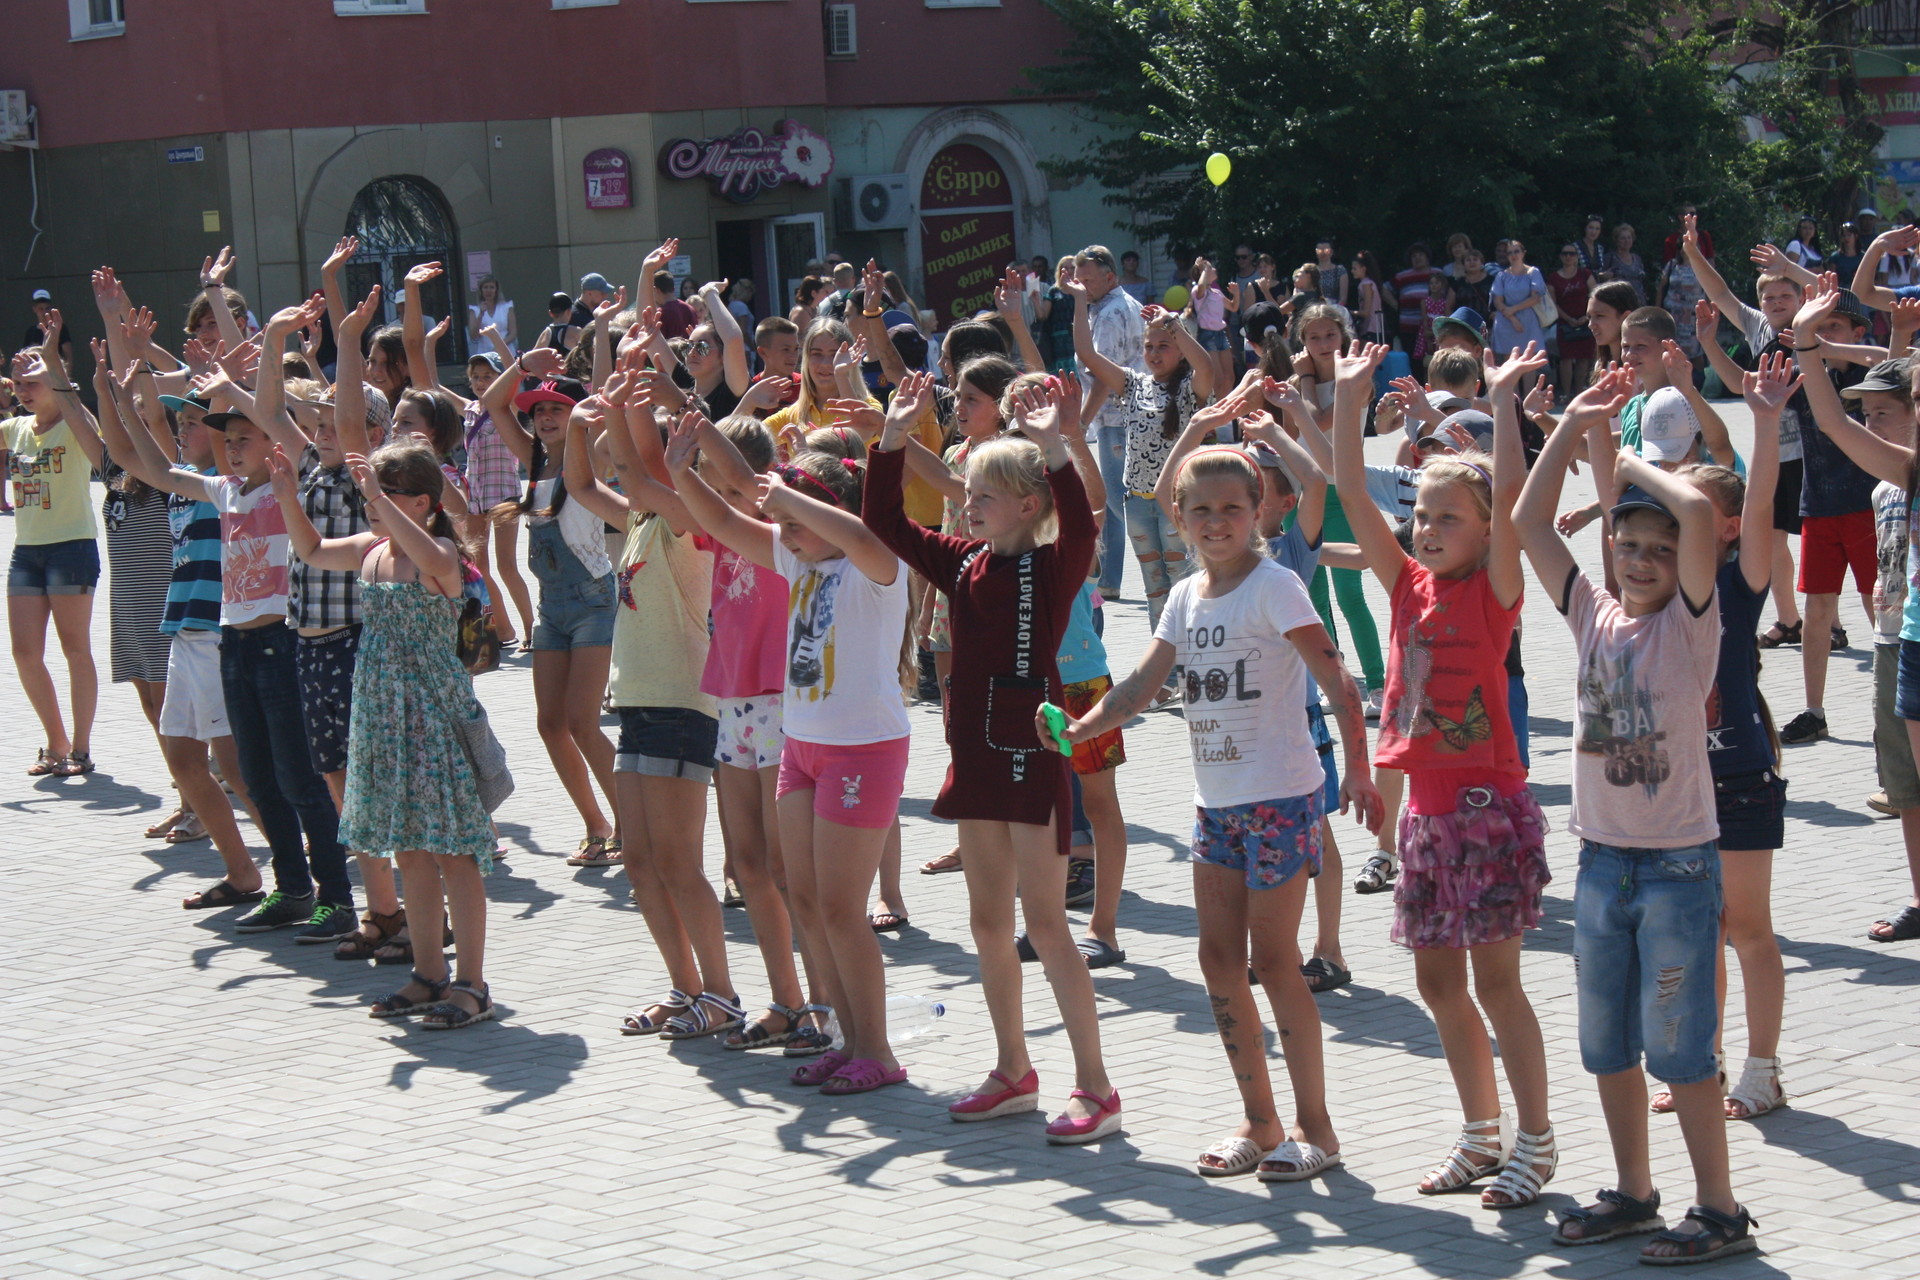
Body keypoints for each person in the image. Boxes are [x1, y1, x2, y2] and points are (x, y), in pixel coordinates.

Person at [1066, 425, 1379, 1179]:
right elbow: (1142, 687)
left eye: (1232, 507)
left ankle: (1318, 1131)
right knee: (1216, 961)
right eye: (1200, 509)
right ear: (1179, 518)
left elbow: (1338, 680)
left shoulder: (1275, 587)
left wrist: (1359, 774)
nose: (1216, 521)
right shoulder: (1181, 597)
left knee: (1275, 963)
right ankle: (1260, 1122)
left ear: (1260, 509)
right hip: (1218, 807)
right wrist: (1082, 730)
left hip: (1281, 799)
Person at [1513, 375, 1759, 1266]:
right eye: (1630, 545)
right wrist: (1568, 433)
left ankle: (1721, 1209)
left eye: (1660, 547)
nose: (1645, 558)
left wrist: (1613, 458)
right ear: (1610, 550)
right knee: (1606, 1045)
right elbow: (1528, 528)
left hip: (1677, 871)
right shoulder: (1593, 615)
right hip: (1602, 862)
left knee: (1681, 1050)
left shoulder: (1691, 629)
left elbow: (1696, 509)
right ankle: (1634, 1193)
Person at [1333, 341, 1559, 1209]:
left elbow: (1510, 515)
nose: (1427, 530)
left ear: (1486, 526)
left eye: (1447, 519)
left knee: (1498, 985)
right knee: (1437, 986)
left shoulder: (1493, 589)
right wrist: (1351, 402)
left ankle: (1534, 1144)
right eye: (1422, 517)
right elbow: (1353, 495)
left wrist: (1501, 405)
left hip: (1488, 811)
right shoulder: (1407, 588)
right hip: (1424, 821)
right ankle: (1480, 1135)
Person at [865, 372, 1120, 1139]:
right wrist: (891, 438)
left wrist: (1056, 448)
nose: (966, 505)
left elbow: (1082, 530)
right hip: (972, 764)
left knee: (1045, 925)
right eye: (966, 494)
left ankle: (1097, 1087)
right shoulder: (962, 564)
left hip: (1029, 764)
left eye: (983, 496)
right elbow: (884, 521)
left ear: (1028, 505)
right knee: (984, 923)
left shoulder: (1050, 568)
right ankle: (1014, 1069)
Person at [668, 415, 913, 1097]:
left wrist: (785, 494)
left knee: (840, 907)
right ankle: (841, 1037)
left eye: (799, 519)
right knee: (805, 899)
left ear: (825, 515)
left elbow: (858, 533)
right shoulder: (796, 555)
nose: (785, 533)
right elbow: (719, 517)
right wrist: (682, 468)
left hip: (863, 750)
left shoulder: (876, 566)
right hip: (801, 748)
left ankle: (879, 1051)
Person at [116, 370, 356, 943]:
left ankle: (338, 900)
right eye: (225, 440)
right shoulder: (223, 490)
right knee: (253, 774)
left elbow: (285, 427)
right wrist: (119, 400)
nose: (230, 447)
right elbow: (153, 467)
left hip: (281, 645)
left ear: (271, 443)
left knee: (300, 778)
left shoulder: (290, 484)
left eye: (242, 438)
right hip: (235, 645)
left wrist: (248, 380)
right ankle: (293, 890)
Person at [271, 441, 499, 1029]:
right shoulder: (371, 551)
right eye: (370, 493)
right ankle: (428, 974)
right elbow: (312, 549)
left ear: (422, 501)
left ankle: (472, 985)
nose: (370, 502)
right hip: (381, 719)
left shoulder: (440, 552)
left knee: (454, 853)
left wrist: (375, 494)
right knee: (411, 851)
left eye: (386, 491)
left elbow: (431, 555)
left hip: (432, 717)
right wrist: (285, 498)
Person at [561, 368, 742, 1040]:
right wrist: (583, 430)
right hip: (636, 702)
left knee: (678, 863)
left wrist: (619, 411)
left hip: (681, 704)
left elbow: (638, 476)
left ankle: (720, 993)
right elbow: (582, 487)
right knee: (638, 859)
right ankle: (685, 988)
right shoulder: (641, 518)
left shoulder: (690, 521)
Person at [476, 349, 620, 864]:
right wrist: (521, 365)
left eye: (558, 408)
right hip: (551, 608)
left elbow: (605, 413)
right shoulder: (532, 461)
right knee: (548, 723)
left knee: (583, 721)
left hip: (594, 603)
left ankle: (629, 823)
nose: (546, 417)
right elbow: (494, 407)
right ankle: (596, 824)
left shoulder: (590, 453)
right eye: (539, 410)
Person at [1066, 287, 1214, 631]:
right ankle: (1165, 674)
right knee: (1154, 588)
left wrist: (1172, 324)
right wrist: (1078, 301)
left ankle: (1192, 665)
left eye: (1164, 346)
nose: (1154, 353)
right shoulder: (1132, 384)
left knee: (1183, 582)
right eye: (1149, 346)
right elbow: (1087, 353)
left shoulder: (1191, 388)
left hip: (1177, 502)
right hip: (1137, 504)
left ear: (1180, 351)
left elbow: (1206, 366)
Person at [6, 315, 103, 778]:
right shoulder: (16, 429)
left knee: (75, 649)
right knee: (24, 652)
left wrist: (53, 360)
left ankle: (81, 748)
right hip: (27, 551)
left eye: (33, 383)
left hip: (72, 548)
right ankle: (55, 741)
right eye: (18, 384)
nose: (24, 392)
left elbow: (87, 420)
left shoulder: (75, 425)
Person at [1072, 245, 1146, 598]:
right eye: (1078, 278)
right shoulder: (1113, 306)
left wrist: (1082, 421)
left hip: (1116, 417)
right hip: (1122, 414)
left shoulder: (1110, 314)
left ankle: (1156, 557)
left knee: (1117, 500)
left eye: (1087, 279)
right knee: (1115, 503)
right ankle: (1110, 581)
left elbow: (1103, 375)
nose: (1081, 285)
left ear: (1110, 277)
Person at [461, 350, 535, 648]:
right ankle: (502, 631)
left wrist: (497, 343)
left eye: (488, 376)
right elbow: (429, 383)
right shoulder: (468, 410)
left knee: (507, 565)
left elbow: (518, 375)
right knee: (479, 567)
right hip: (475, 496)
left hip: (503, 494)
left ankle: (531, 630)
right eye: (476, 377)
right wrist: (428, 345)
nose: (481, 382)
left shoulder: (507, 407)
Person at [1549, 245, 1597, 400]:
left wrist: (1586, 316)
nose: (1568, 256)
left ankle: (1578, 394)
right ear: (1561, 256)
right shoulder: (1554, 278)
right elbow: (1552, 302)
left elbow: (1595, 295)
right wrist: (1568, 318)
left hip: (1585, 320)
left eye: (1572, 254)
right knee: (1566, 359)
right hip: (1564, 321)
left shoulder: (1585, 274)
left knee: (1584, 358)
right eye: (1565, 253)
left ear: (1577, 256)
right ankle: (1565, 394)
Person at [1490, 241, 1547, 363]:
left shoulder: (1533, 272)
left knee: (1529, 359)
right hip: (1507, 320)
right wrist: (1512, 318)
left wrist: (1513, 309)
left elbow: (1535, 298)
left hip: (1528, 320)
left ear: (1523, 253)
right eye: (1509, 252)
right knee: (1510, 360)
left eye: (1516, 251)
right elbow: (1498, 301)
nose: (1513, 255)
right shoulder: (1501, 276)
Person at [1187, 257, 1236, 391]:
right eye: (1210, 268)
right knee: (1218, 378)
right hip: (1207, 335)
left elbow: (1233, 307)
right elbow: (1202, 286)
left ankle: (1227, 403)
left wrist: (1236, 294)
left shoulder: (1217, 292)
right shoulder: (1197, 290)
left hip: (1221, 333)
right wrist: (1204, 268)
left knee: (1229, 376)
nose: (1213, 269)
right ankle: (1220, 406)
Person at [1393, 244, 1435, 352]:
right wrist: (1395, 304)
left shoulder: (1438, 273)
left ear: (1427, 258)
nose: (1417, 258)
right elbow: (1384, 289)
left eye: (1420, 255)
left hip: (1433, 326)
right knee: (1411, 358)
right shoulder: (1402, 276)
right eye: (1414, 256)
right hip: (1409, 325)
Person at [466, 275, 516, 356]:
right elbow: (473, 336)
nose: (488, 290)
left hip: (506, 353)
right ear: (481, 290)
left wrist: (499, 346)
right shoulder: (474, 310)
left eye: (492, 287)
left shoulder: (506, 307)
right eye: (485, 287)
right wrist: (481, 314)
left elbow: (513, 333)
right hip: (485, 355)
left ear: (496, 290)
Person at [1351, 251, 1388, 345]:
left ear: (1363, 269)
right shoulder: (1367, 283)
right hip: (1372, 328)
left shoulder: (1366, 284)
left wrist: (1349, 312)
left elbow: (1366, 312)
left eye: (1354, 269)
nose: (1352, 271)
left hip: (1371, 328)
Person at [1611, 224, 1648, 304]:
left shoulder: (1637, 259)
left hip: (1639, 302)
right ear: (1617, 240)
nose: (1626, 241)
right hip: (1620, 302)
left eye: (1629, 237)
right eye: (1623, 238)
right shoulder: (1610, 258)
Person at [1574, 214, 1613, 279]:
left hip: (1598, 286)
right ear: (1585, 228)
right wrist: (1598, 275)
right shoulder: (1575, 247)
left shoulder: (1601, 248)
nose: (1593, 232)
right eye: (1591, 227)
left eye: (1597, 229)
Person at [1313, 239, 1349, 309]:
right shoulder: (1312, 271)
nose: (1322, 253)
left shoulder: (1340, 270)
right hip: (1316, 309)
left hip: (1335, 309)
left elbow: (1343, 298)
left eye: (1326, 250)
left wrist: (1336, 309)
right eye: (1319, 251)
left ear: (1331, 252)